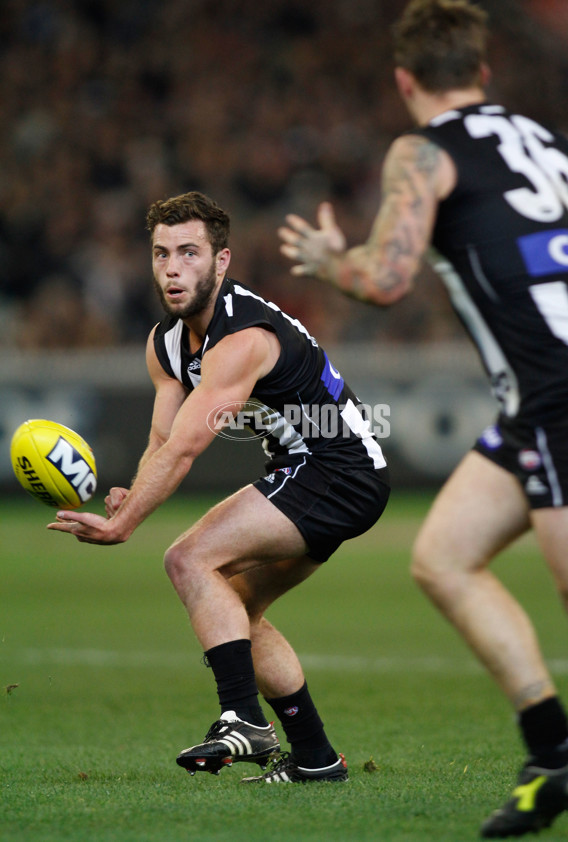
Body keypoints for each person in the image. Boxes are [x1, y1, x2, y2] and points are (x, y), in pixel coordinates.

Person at [278, 0, 568, 835]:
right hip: (545, 400)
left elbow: (385, 280)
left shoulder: (423, 150)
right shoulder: (558, 147)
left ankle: (559, 760)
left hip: (567, 399)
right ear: (485, 72)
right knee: (443, 557)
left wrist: (327, 260)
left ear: (404, 79)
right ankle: (555, 756)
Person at [47, 190, 390, 784]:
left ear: (222, 261)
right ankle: (315, 759)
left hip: (338, 466)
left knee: (187, 558)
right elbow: (164, 438)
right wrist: (133, 490)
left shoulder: (244, 338)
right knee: (233, 607)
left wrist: (123, 526)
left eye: (189, 253)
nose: (173, 268)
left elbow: (187, 447)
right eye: (161, 254)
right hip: (311, 469)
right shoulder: (166, 345)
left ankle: (243, 720)